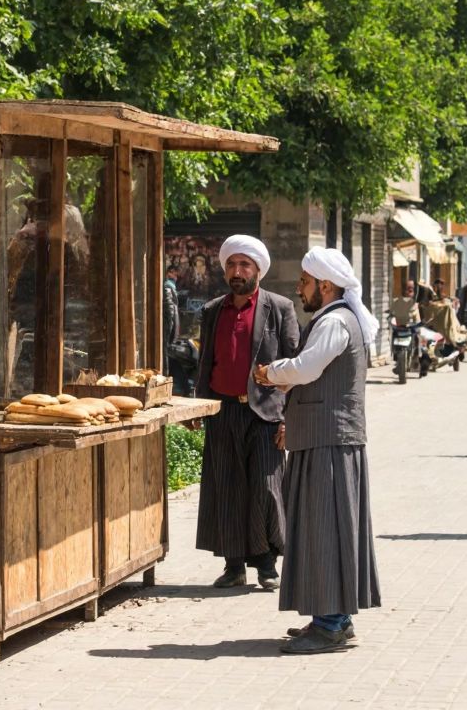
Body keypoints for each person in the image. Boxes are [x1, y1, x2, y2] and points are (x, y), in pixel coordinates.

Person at [255, 247, 380, 654]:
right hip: (324, 439)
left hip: (330, 441)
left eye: (305, 283)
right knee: (323, 529)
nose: (299, 289)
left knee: (326, 529)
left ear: (325, 286)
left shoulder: (335, 322)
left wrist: (271, 373)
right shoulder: (337, 319)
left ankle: (329, 625)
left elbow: (307, 368)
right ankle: (334, 620)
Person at [193, 236, 298, 589]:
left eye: (245, 265)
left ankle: (267, 565)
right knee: (228, 488)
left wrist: (289, 418)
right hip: (223, 411)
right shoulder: (212, 311)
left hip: (266, 413)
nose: (237, 271)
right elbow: (206, 361)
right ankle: (233, 565)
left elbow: (294, 367)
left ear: (258, 271)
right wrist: (198, 404)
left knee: (267, 488)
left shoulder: (279, 308)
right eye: (232, 265)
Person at [163, 264, 181, 366]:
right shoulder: (168, 287)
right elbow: (170, 313)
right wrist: (169, 334)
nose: (175, 276)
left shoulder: (170, 287)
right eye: (172, 273)